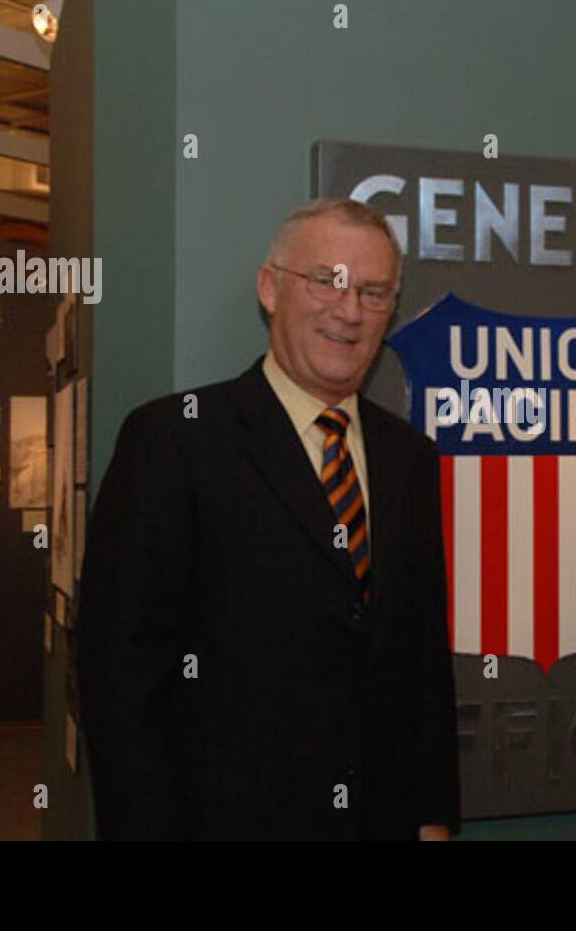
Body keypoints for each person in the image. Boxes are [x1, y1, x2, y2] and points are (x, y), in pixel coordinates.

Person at [79, 198, 459, 840]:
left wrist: (433, 816)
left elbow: (421, 659)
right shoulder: (175, 440)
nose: (350, 311)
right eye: (327, 282)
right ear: (269, 288)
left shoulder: (410, 457)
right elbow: (122, 680)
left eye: (373, 292)